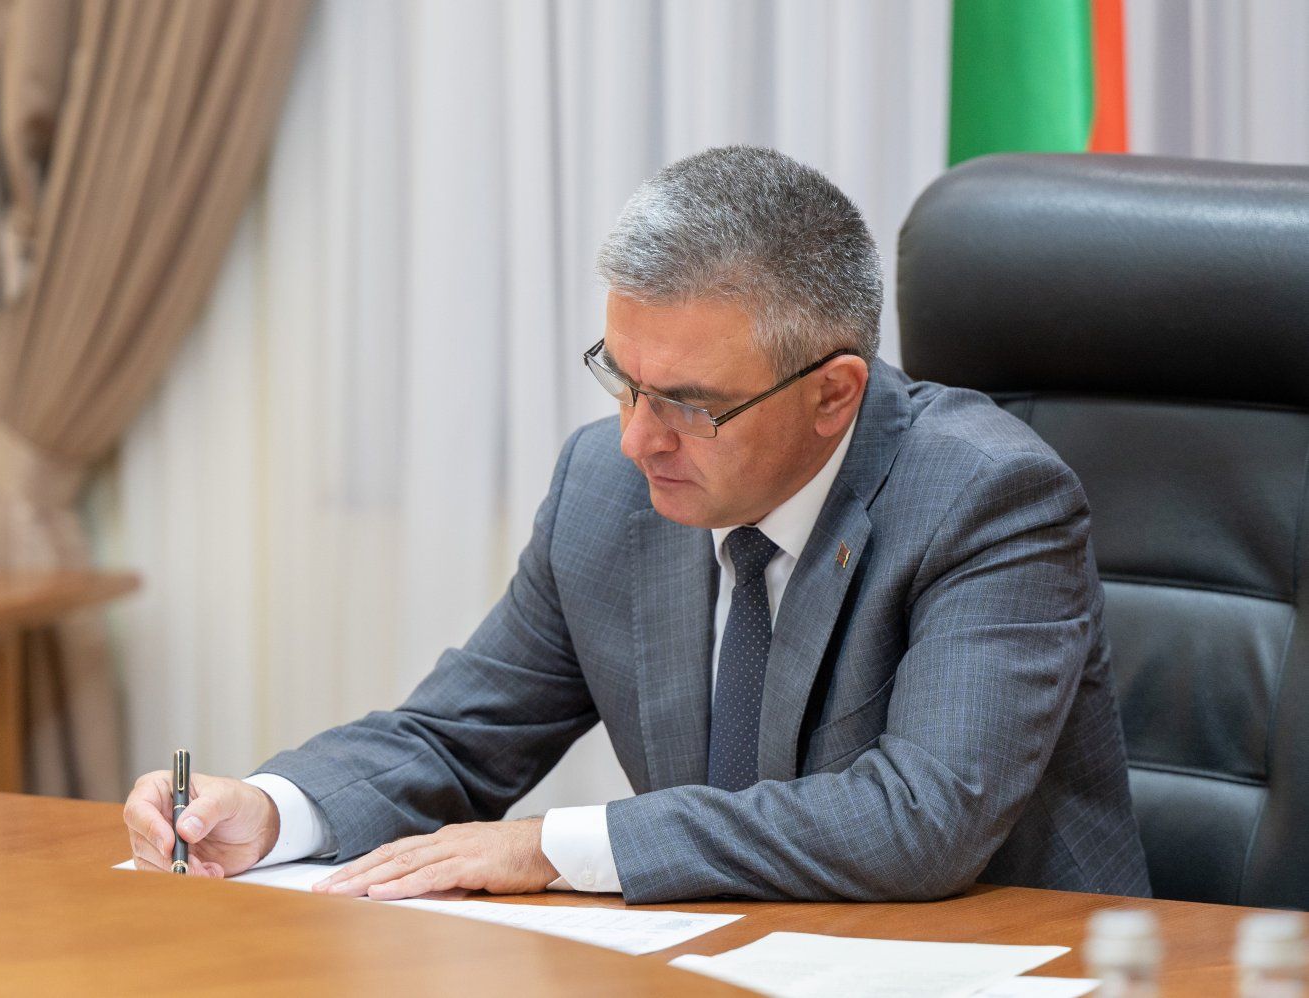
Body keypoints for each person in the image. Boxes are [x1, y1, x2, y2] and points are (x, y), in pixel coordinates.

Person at [124, 146, 1151, 904]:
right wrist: (272, 808)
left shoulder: (989, 497)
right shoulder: (605, 490)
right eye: (622, 379)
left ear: (833, 393)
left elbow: (919, 818)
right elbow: (459, 733)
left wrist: (554, 846)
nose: (635, 438)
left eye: (690, 404)